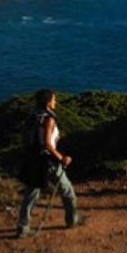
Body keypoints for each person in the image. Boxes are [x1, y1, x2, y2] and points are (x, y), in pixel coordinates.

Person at [16, 89, 82, 238]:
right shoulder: (49, 119)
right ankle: (72, 220)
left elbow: (25, 137)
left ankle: (23, 227)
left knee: (31, 194)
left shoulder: (33, 116)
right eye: (54, 100)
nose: (55, 102)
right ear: (48, 102)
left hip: (33, 159)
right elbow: (47, 143)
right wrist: (62, 158)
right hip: (48, 161)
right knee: (67, 190)